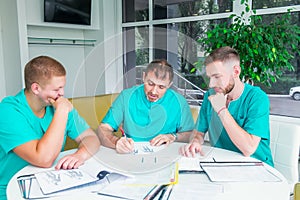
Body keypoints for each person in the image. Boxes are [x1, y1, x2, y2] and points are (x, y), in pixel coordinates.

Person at [0, 56, 101, 200]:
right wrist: (61, 111)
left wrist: (80, 155)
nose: (62, 94)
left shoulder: (58, 105)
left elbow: (91, 138)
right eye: (56, 89)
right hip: (13, 190)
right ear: (36, 88)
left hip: (51, 184)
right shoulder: (7, 111)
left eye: (63, 87)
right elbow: (43, 159)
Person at [180, 46, 274, 166]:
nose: (211, 84)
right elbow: (198, 132)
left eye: (217, 77)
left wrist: (221, 110)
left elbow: (249, 149)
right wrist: (195, 142)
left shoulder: (257, 98)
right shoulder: (210, 96)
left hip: (256, 167)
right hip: (221, 165)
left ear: (235, 72)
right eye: (210, 77)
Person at [97, 59, 194, 154]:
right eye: (150, 84)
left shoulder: (179, 102)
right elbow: (103, 130)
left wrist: (173, 137)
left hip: (166, 156)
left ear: (169, 85)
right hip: (130, 155)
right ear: (144, 77)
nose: (154, 91)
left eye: (161, 87)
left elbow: (190, 135)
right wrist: (116, 142)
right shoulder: (126, 96)